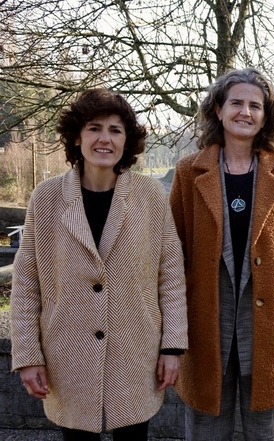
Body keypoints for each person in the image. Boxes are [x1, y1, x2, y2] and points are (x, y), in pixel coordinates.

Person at [11, 88, 188, 439]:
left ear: (127, 141)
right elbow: (26, 283)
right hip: (67, 357)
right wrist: (28, 354)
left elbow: (171, 276)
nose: (104, 139)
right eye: (94, 128)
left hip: (136, 355)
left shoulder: (150, 196)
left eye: (115, 130)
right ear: (77, 136)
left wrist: (172, 347)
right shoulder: (46, 198)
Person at [169, 68, 274, 440]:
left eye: (256, 105)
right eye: (236, 102)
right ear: (218, 109)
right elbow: (171, 251)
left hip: (271, 325)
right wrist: (168, 324)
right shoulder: (189, 171)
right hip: (206, 321)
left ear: (266, 115)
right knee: (206, 430)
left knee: (271, 432)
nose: (245, 112)